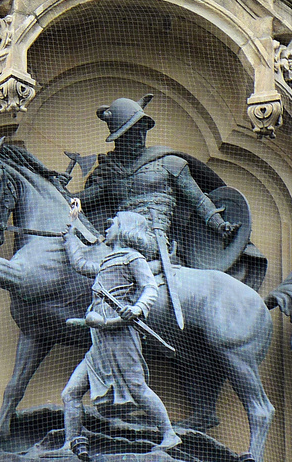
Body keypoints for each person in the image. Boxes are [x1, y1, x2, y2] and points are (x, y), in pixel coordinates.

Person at [80, 94, 240, 327]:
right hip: (116, 238)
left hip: (151, 238)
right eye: (132, 133)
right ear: (119, 138)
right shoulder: (109, 170)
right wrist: (59, 191)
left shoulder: (168, 162)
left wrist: (219, 224)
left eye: (141, 130)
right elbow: (86, 200)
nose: (139, 137)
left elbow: (198, 199)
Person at [62, 208, 181, 462]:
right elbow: (80, 264)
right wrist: (71, 230)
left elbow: (150, 287)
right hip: (100, 338)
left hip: (120, 335)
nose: (107, 225)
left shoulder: (132, 258)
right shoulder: (106, 261)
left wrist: (137, 309)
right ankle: (70, 443)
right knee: (70, 393)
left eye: (112, 222)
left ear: (125, 229)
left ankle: (169, 435)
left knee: (137, 387)